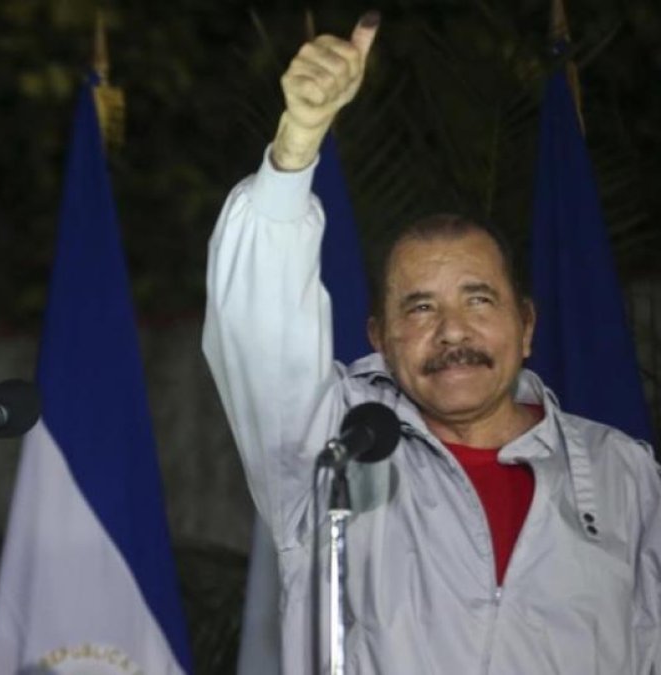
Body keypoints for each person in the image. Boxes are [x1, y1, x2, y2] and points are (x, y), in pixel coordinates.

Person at [202, 11, 660, 674]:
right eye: (419, 308)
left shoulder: (623, 474)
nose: (452, 331)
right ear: (378, 339)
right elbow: (256, 326)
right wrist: (297, 145)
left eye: (479, 300)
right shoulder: (332, 447)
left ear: (526, 325)